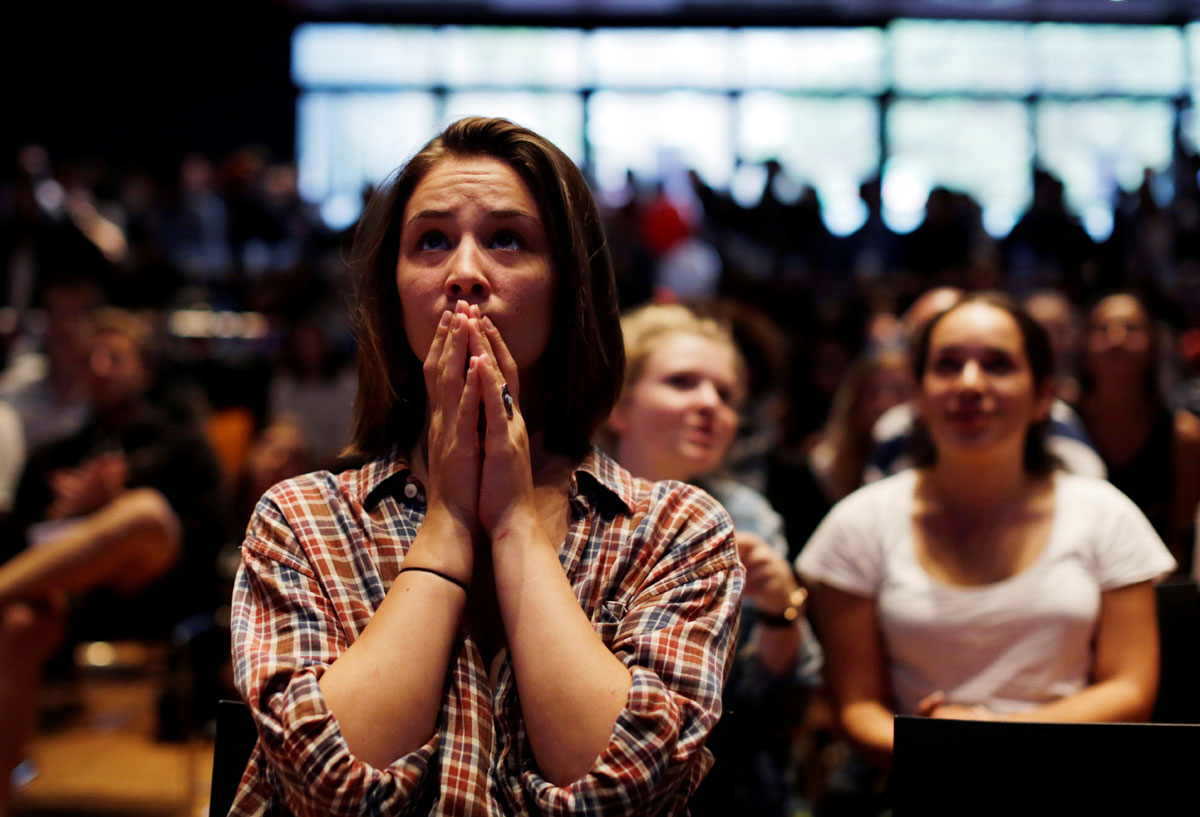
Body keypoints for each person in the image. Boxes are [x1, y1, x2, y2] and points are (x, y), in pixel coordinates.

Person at [230, 118, 744, 816]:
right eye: (432, 241)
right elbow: (334, 786)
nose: (465, 273)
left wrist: (511, 519)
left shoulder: (676, 531)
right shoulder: (301, 519)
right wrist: (446, 518)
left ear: (569, 285)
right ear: (395, 290)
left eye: (507, 239)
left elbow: (619, 786)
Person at [796, 293, 1173, 806]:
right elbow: (856, 708)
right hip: (916, 789)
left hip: (1074, 785)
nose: (970, 384)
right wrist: (943, 753)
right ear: (921, 396)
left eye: (998, 365)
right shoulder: (859, 524)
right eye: (948, 366)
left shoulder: (1106, 514)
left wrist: (983, 742)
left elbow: (1130, 690)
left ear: (1042, 396)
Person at [605, 302, 822, 817]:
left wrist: (778, 607)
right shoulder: (567, 506)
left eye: (725, 394)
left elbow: (773, 714)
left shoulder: (746, 516)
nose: (710, 404)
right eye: (682, 382)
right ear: (618, 404)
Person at [1077, 292, 1200, 572]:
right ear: (1084, 344)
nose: (1116, 339)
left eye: (1131, 328)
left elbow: (1178, 539)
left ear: (1154, 344)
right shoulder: (1062, 424)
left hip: (1152, 578)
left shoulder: (1183, 436)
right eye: (1102, 328)